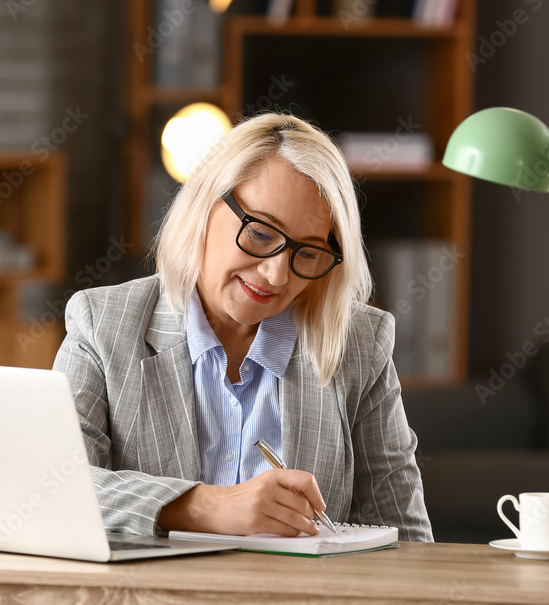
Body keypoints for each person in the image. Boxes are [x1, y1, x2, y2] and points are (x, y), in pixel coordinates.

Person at [53, 113, 433, 542]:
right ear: (204, 204)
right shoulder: (101, 323)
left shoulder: (361, 343)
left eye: (307, 253)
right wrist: (206, 507)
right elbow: (49, 487)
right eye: (260, 233)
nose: (276, 275)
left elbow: (406, 539)